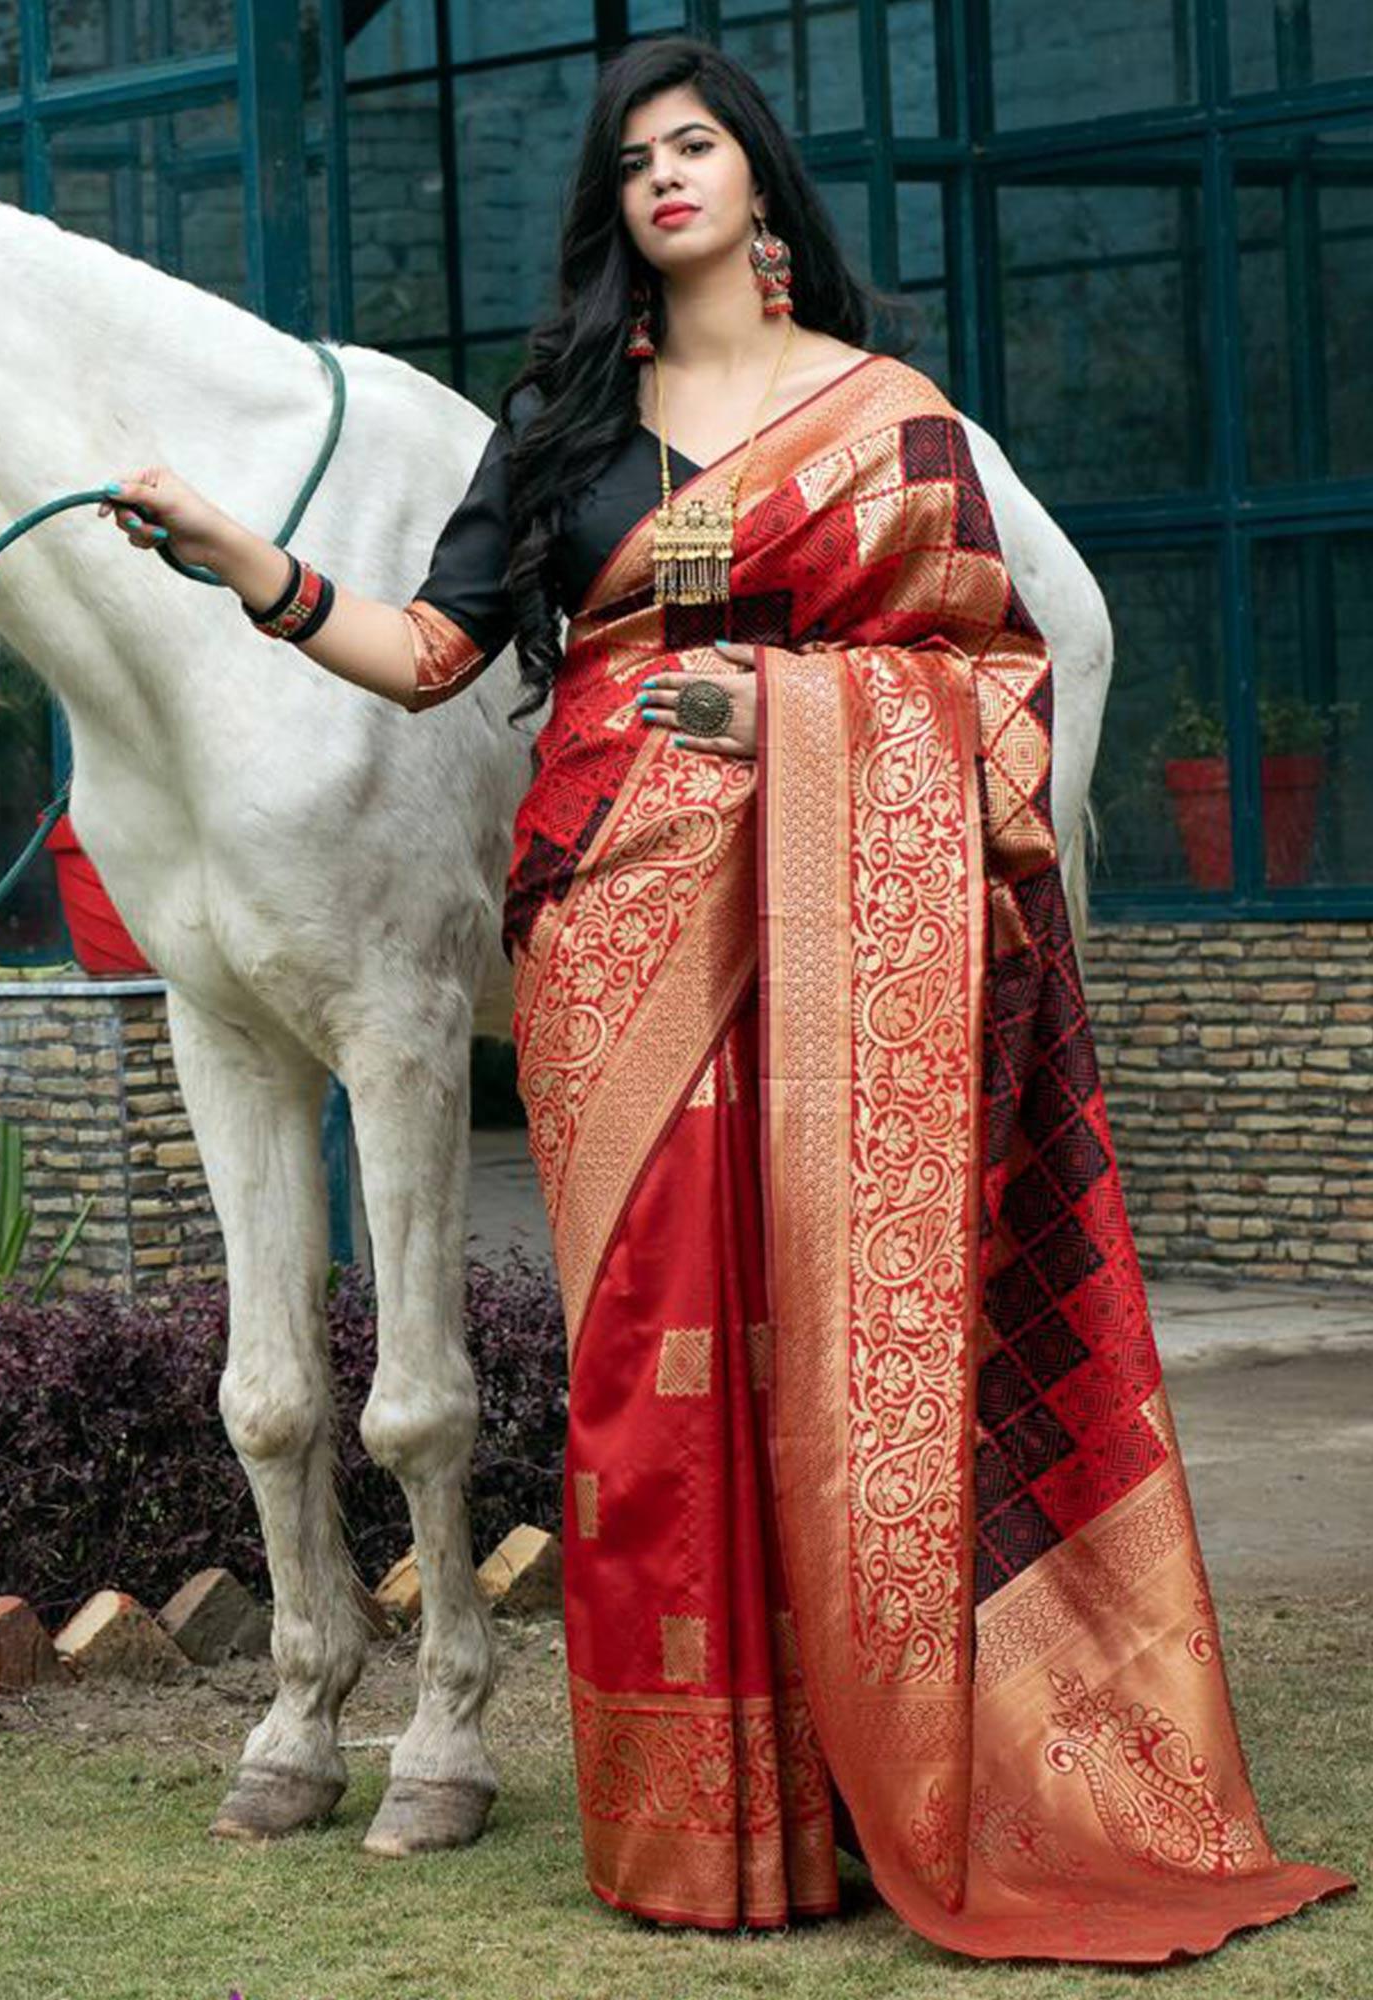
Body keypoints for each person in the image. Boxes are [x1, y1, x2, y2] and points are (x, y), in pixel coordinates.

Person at [97, 34, 1355, 1967]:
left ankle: (888, 1781)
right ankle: (707, 1828)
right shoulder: (564, 428)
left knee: (848, 1360)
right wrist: (249, 567)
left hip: (853, 943)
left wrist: (781, 710)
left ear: (761, 180)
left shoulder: (893, 417)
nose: (666, 176)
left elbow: (999, 687)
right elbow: (431, 655)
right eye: (634, 159)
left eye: (698, 145)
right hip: (615, 934)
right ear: (613, 208)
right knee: (658, 1382)